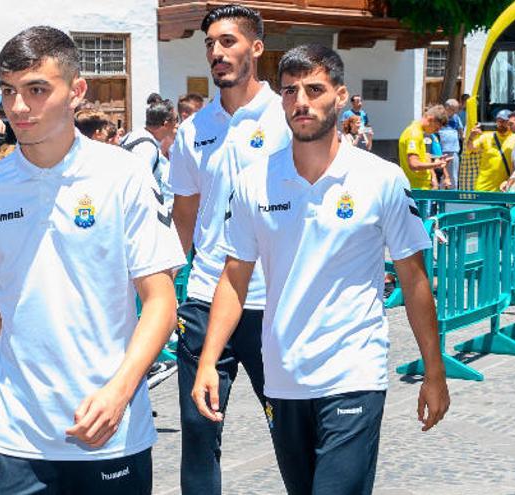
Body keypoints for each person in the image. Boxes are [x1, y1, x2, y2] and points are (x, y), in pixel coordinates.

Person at [192, 43, 450, 495]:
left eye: (314, 89)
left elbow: (413, 279)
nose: (301, 102)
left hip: (354, 373)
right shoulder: (255, 182)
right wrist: (208, 360)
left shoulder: (380, 178)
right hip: (284, 376)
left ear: (341, 95)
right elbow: (235, 276)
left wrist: (435, 372)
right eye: (290, 91)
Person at [0, 25, 185, 495]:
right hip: (13, 439)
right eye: (9, 92)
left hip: (110, 433)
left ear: (76, 91)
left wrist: (119, 393)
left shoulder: (122, 175)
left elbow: (160, 300)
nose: (19, 107)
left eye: (37, 90)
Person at [168, 5, 291, 494]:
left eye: (228, 42)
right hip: (204, 298)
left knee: (290, 433)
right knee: (198, 437)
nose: (218, 53)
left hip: (271, 302)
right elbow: (184, 212)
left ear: (255, 48)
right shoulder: (193, 129)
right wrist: (167, 285)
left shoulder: (288, 117)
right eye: (211, 45)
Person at [120, 100, 178, 209]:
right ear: (166, 124)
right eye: (176, 120)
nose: (178, 124)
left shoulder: (134, 135)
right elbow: (139, 186)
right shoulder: (146, 149)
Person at [398, 105, 450, 190]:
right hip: (417, 189)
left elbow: (422, 157)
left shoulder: (418, 131)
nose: (436, 131)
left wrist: (435, 160)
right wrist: (436, 165)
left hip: (420, 187)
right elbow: (414, 164)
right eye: (436, 128)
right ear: (430, 119)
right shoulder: (414, 134)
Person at [467, 109, 515, 192]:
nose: (501, 124)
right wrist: (471, 137)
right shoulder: (487, 137)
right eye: (499, 121)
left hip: (505, 187)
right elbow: (470, 148)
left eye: (504, 121)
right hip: (484, 187)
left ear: (510, 123)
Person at [438, 99, 464, 189]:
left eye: (456, 109)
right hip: (440, 151)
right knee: (441, 175)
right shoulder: (440, 117)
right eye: (453, 109)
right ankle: (439, 197)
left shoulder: (456, 117)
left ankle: (453, 195)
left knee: (453, 175)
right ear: (447, 107)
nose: (455, 112)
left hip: (453, 151)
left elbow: (461, 132)